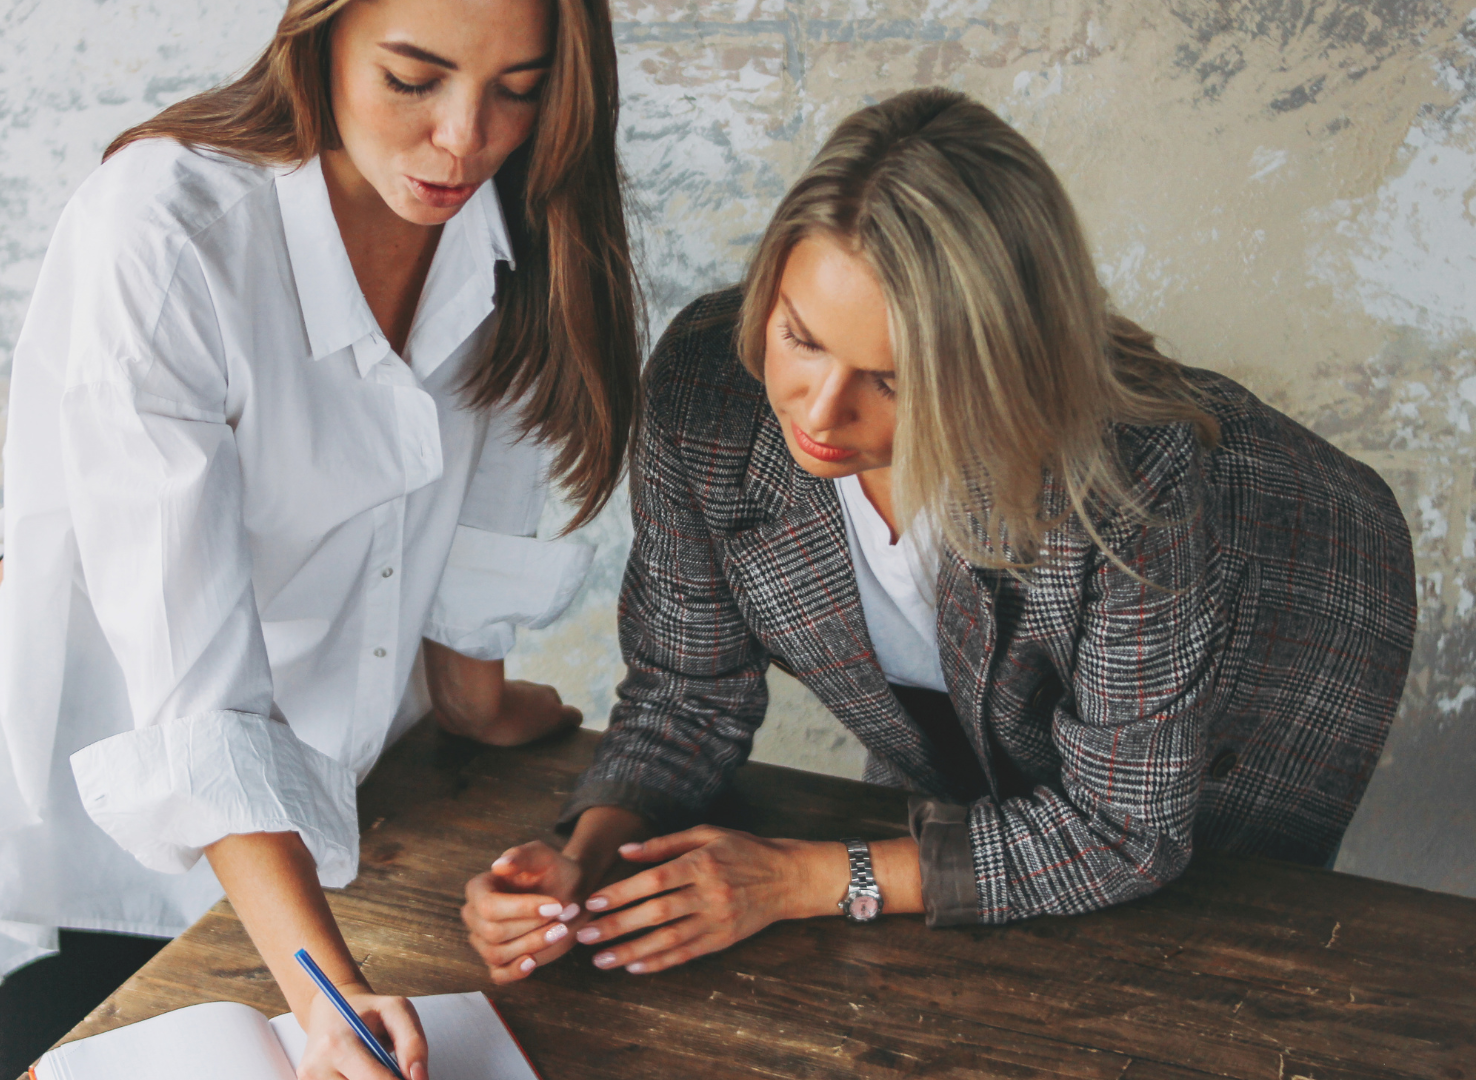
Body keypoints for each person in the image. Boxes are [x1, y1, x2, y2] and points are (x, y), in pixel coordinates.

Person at [460, 87, 1416, 983]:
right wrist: (580, 858)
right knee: (953, 849)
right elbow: (686, 694)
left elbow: (1125, 832)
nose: (820, 414)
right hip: (1003, 665)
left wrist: (799, 879)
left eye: (894, 379)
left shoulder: (1134, 481)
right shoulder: (708, 390)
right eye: (801, 338)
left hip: (1290, 617)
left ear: (992, 370)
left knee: (1182, 948)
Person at [0, 0, 639, 1076]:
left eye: (517, 90)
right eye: (413, 78)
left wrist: (480, 704)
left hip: (330, 800)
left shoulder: (523, 223)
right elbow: (198, 704)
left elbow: (472, 519)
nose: (466, 139)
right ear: (319, 35)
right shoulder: (164, 232)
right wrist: (331, 999)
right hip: (77, 797)